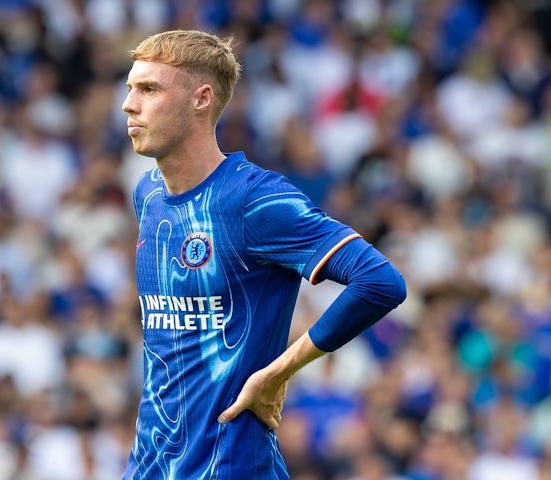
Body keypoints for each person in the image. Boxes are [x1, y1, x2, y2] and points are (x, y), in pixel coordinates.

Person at [120, 29, 407, 480]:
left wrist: (278, 372)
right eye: (131, 87)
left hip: (231, 466)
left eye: (149, 89)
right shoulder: (148, 194)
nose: (129, 104)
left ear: (202, 99)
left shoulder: (256, 200)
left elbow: (380, 280)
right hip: (151, 466)